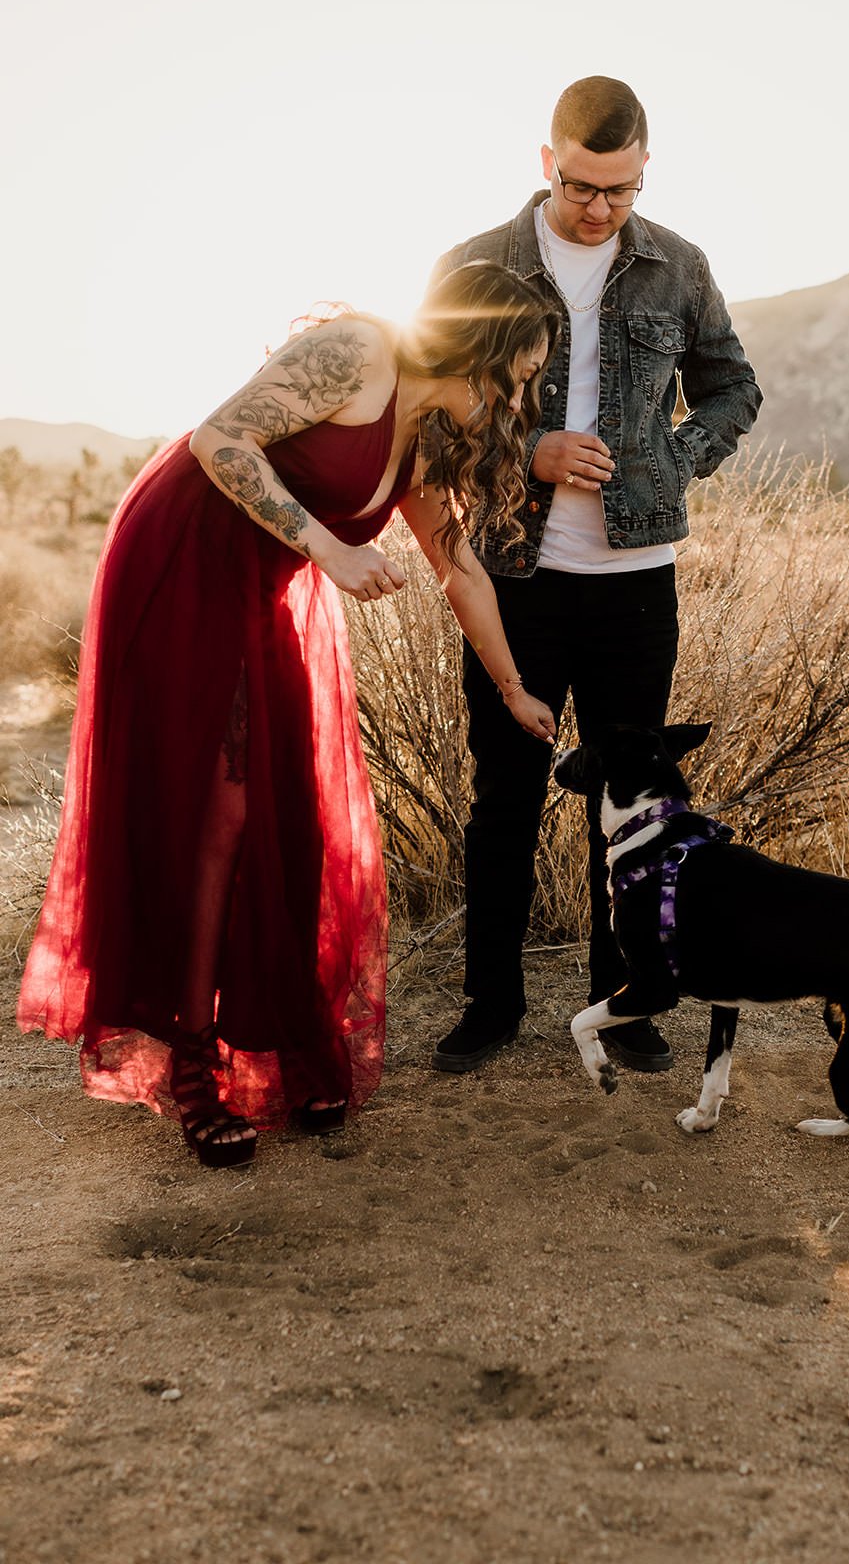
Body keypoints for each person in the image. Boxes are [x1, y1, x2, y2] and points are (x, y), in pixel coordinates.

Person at [17, 262, 559, 1167]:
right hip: (183, 559)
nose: (523, 395)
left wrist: (511, 686)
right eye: (522, 371)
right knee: (217, 814)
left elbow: (458, 568)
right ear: (482, 346)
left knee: (289, 812)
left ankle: (278, 1036)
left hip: (261, 585)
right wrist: (330, 553)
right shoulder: (357, 352)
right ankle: (191, 1062)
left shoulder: (428, 438)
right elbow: (219, 440)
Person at [429, 76, 762, 1076]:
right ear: (545, 163)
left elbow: (733, 386)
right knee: (504, 800)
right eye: (580, 185)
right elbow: (429, 411)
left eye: (617, 190)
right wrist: (527, 449)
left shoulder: (678, 267)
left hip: (635, 581)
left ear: (642, 171)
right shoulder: (472, 264)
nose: (598, 208)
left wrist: (674, 456)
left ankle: (620, 1005)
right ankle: (489, 1004)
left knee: (627, 806)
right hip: (513, 574)